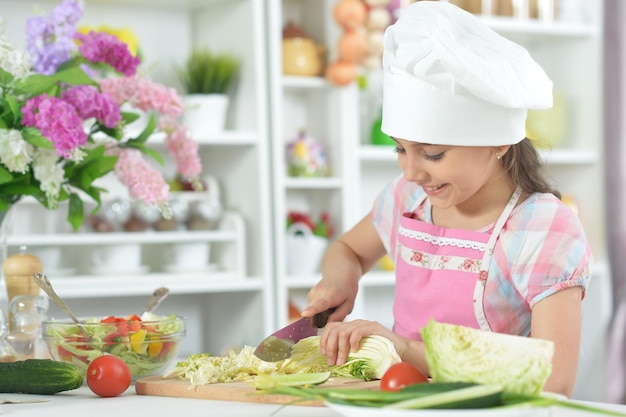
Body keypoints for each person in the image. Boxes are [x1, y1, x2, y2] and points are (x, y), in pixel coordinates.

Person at [301, 1, 592, 398]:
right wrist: (340, 280)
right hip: (400, 401)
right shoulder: (409, 199)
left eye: (432, 154)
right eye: (400, 150)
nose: (411, 172)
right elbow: (349, 248)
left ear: (498, 142)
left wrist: (404, 350)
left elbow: (555, 381)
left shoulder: (544, 229)